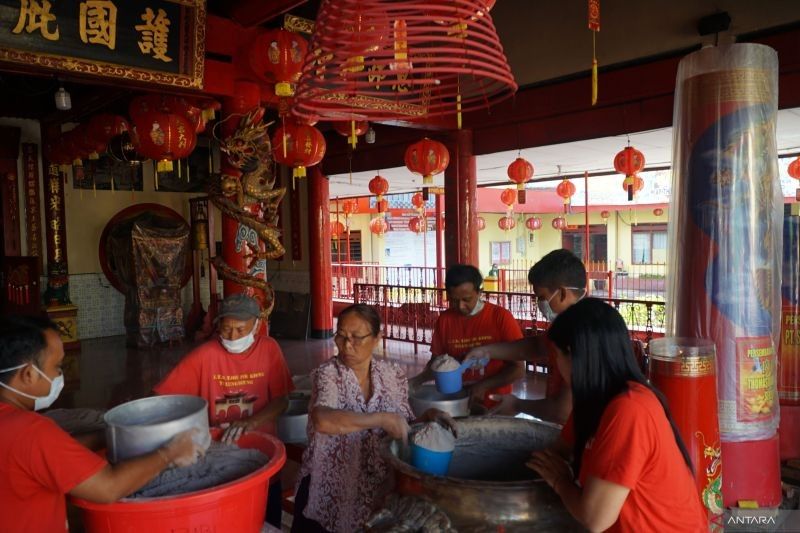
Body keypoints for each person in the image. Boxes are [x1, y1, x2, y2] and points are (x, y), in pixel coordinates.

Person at [0, 316, 201, 533]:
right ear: (28, 374)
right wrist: (170, 453)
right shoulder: (31, 432)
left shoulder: (18, 429)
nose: (60, 375)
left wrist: (109, 434)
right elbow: (108, 488)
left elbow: (52, 453)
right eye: (57, 367)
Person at [527, 299, 707, 532]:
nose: (556, 365)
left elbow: (595, 519)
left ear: (572, 355)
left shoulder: (630, 409)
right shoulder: (595, 402)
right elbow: (558, 452)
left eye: (557, 356)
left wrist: (560, 481)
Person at [293, 304, 454, 533]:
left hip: (375, 489)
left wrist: (425, 419)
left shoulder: (392, 375)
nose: (347, 345)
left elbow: (399, 427)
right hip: (330, 485)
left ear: (378, 337)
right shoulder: (328, 374)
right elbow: (323, 420)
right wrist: (379, 419)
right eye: (341, 337)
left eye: (357, 337)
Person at [154, 293, 293, 528]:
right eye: (226, 329)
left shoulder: (269, 349)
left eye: (241, 330)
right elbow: (162, 399)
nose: (233, 336)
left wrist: (250, 423)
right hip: (218, 452)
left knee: (267, 517)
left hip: (263, 448)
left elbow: (281, 400)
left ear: (257, 325)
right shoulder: (204, 355)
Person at [464, 249, 586, 422]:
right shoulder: (566, 322)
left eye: (542, 298)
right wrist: (486, 351)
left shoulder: (583, 331)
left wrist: (517, 405)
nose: (539, 305)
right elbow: (537, 346)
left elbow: (562, 411)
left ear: (562, 293)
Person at [409, 264, 524, 406]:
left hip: (495, 404)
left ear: (479, 292)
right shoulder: (445, 319)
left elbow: (518, 369)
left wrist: (483, 386)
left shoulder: (500, 317)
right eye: (454, 300)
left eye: (467, 299)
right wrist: (416, 380)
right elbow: (437, 362)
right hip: (456, 402)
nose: (461, 306)